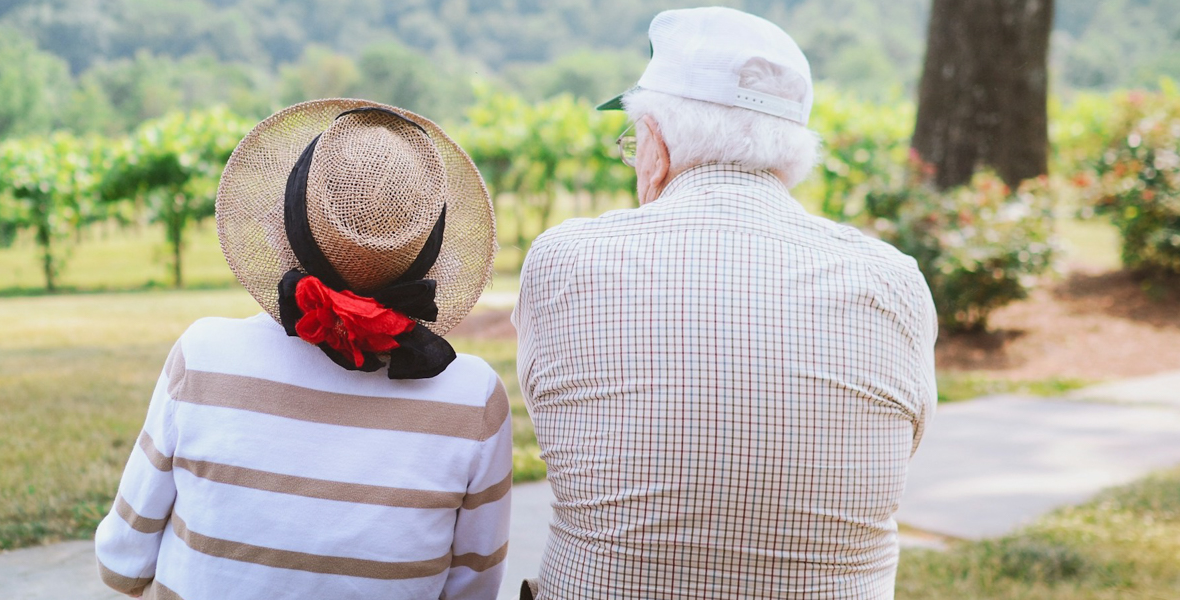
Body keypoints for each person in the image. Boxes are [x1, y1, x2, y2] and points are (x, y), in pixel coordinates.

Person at [512, 7, 937, 599]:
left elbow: (562, 427)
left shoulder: (564, 258)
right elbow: (903, 442)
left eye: (634, 140)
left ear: (655, 145)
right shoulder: (896, 280)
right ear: (793, 153)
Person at [94, 99, 513, 600]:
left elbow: (123, 563)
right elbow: (472, 589)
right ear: (430, 252)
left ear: (285, 222)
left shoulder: (204, 355)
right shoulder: (472, 399)